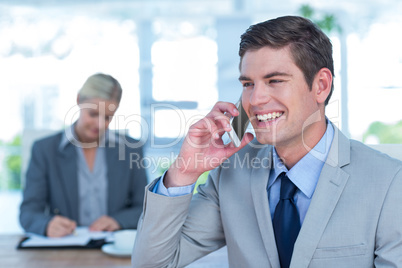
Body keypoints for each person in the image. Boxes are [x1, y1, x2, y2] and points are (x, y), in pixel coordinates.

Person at [131, 16, 402, 267]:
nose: (256, 99)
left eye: (274, 80)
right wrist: (184, 172)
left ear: (320, 86)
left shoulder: (389, 183)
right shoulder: (231, 173)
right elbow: (154, 263)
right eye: (248, 84)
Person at [20, 73, 148, 237]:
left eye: (108, 117)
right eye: (93, 114)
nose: (100, 124)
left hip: (112, 249)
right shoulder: (45, 150)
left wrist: (118, 221)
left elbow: (144, 208)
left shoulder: (131, 149)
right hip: (65, 250)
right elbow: (28, 212)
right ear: (79, 100)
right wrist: (46, 224)